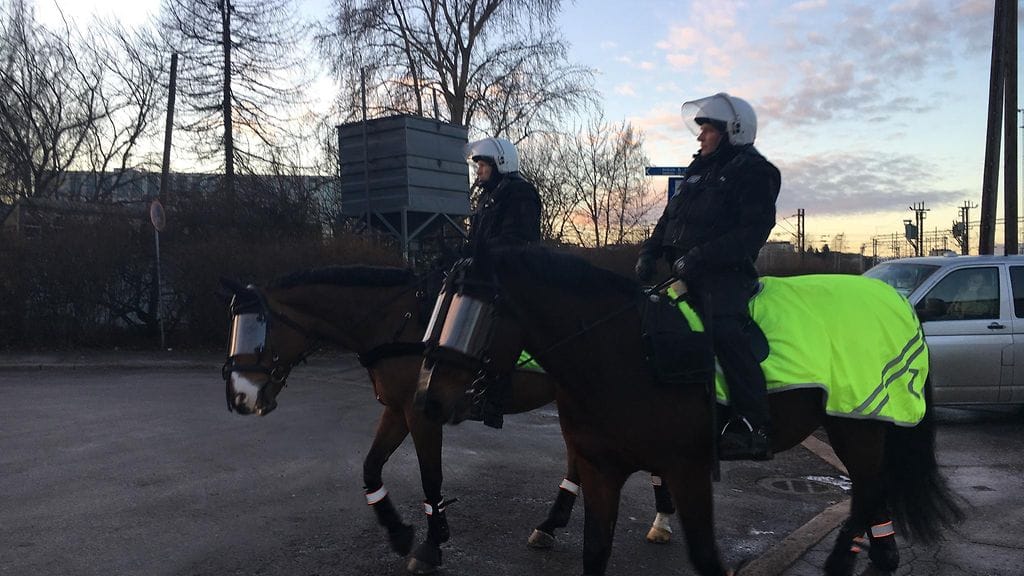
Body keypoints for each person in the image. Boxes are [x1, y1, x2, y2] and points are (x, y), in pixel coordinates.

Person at [635, 93, 781, 461]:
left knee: (726, 330)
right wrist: (648, 254)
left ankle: (752, 425)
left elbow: (753, 230)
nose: (700, 137)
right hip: (682, 274)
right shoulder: (697, 170)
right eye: (700, 130)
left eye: (708, 130)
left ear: (733, 131)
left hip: (724, 277)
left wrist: (701, 257)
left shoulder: (755, 171)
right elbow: (669, 220)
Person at [460, 136, 542, 428]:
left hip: (513, 276)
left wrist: (482, 256)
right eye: (478, 164)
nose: (478, 170)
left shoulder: (520, 193)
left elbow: (517, 241)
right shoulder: (488, 196)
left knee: (501, 326)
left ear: (500, 163)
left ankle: (494, 397)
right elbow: (478, 241)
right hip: (489, 276)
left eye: (482, 164)